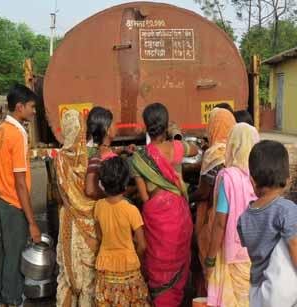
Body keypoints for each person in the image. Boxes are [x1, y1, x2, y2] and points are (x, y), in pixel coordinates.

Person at [131, 103, 198, 306]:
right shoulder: (176, 148)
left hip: (155, 217)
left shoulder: (139, 158)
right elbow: (194, 149)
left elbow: (144, 199)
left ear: (146, 126)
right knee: (178, 261)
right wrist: (176, 134)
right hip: (178, 217)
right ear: (166, 124)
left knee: (158, 265)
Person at [0, 84, 41, 307]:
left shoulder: (0, 130)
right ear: (20, 107)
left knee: (4, 254)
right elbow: (21, 184)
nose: (34, 111)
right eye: (31, 106)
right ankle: (11, 301)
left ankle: (1, 298)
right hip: (14, 204)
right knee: (14, 257)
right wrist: (32, 223)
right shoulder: (17, 134)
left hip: (3, 202)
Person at [205, 123, 259, 307]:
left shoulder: (228, 178)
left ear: (233, 145)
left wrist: (210, 259)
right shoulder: (259, 178)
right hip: (254, 255)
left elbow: (220, 223)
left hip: (232, 256)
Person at [237, 140, 297, 306]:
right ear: (288, 178)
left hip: (257, 290)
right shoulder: (287, 210)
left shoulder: (243, 219)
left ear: (252, 180)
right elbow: (294, 248)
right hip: (283, 291)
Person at [189, 108, 236, 296]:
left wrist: (187, 197)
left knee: (211, 262)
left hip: (216, 215)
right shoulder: (238, 150)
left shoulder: (214, 153)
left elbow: (203, 192)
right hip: (236, 221)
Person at [55, 109, 98, 306]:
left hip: (68, 220)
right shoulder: (87, 157)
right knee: (89, 276)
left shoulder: (59, 158)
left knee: (68, 275)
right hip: (88, 222)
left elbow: (60, 194)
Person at [94, 157, 150, 306]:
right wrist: (137, 259)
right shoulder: (131, 210)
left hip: (105, 267)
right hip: (129, 267)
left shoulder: (99, 206)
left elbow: (100, 236)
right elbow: (142, 245)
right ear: (125, 184)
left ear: (102, 184)